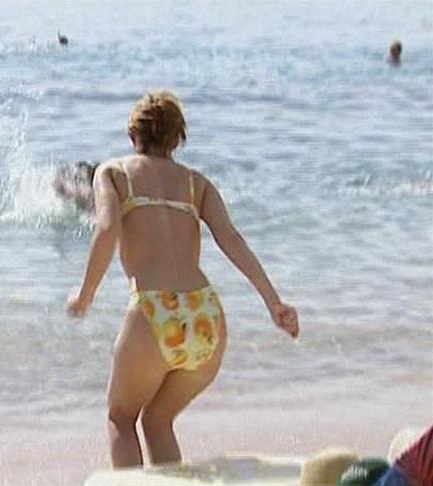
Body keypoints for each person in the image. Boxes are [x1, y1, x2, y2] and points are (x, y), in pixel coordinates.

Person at [66, 90, 299, 468]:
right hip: (205, 315)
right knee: (158, 421)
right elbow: (232, 240)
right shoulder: (197, 183)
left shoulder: (113, 173)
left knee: (121, 418)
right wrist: (275, 303)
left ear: (132, 134)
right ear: (178, 139)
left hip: (154, 311)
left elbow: (106, 229)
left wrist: (85, 294)